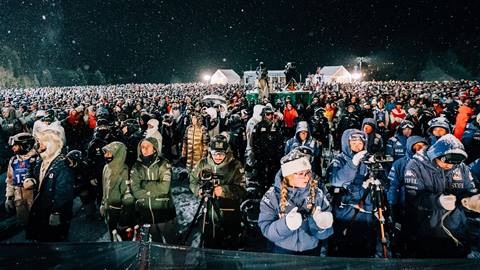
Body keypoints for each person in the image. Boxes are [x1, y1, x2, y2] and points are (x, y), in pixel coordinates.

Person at [404, 134, 479, 258]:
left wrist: (470, 201)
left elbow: (469, 189)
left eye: (454, 163)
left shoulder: (461, 167)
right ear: (435, 154)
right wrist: (437, 201)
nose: (450, 166)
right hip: (427, 231)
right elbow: (414, 198)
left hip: (456, 231)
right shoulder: (415, 166)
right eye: (446, 161)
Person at [258, 149, 333, 255]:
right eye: (300, 173)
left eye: (308, 172)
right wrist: (286, 225)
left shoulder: (318, 194)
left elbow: (324, 235)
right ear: (289, 175)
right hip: (283, 251)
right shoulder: (272, 196)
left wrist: (322, 227)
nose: (306, 177)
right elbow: (266, 229)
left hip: (311, 251)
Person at [189, 135, 247, 249]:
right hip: (208, 212)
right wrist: (198, 190)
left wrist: (224, 190)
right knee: (209, 244)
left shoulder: (235, 166)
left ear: (227, 152)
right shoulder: (202, 163)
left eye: (221, 153)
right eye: (215, 153)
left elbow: (242, 190)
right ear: (210, 152)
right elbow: (192, 181)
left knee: (229, 245)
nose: (218, 156)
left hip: (229, 213)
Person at [327, 129, 377, 257]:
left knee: (365, 244)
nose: (357, 145)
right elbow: (336, 181)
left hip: (365, 208)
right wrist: (353, 164)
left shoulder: (366, 159)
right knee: (344, 243)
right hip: (346, 210)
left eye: (360, 142)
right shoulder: (339, 160)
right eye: (353, 142)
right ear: (346, 143)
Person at [25, 122, 75, 242]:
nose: (39, 146)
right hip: (42, 209)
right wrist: (31, 179)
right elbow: (35, 174)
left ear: (51, 145)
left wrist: (57, 212)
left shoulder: (62, 165)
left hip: (52, 212)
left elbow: (64, 192)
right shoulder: (41, 161)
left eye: (42, 143)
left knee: (54, 241)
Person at [130, 137, 177, 243]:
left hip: (164, 212)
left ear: (155, 149)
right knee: (155, 246)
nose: (144, 149)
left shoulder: (164, 164)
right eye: (142, 147)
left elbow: (164, 188)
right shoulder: (136, 167)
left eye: (148, 146)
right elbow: (135, 192)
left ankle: (179, 259)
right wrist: (155, 187)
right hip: (146, 215)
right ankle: (159, 259)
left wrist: (143, 184)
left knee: (174, 243)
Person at [100, 141, 135, 240]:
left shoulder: (124, 171)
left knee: (122, 237)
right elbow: (104, 188)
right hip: (109, 209)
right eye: (105, 153)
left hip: (118, 211)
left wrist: (124, 220)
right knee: (112, 234)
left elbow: (127, 198)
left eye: (109, 153)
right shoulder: (106, 168)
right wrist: (103, 203)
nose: (106, 155)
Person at [4, 133, 37, 226]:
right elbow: (10, 180)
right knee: (24, 225)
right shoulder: (13, 160)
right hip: (19, 199)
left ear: (24, 145)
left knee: (38, 224)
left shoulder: (36, 158)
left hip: (34, 197)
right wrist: (9, 197)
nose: (12, 148)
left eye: (15, 145)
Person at [251, 107, 284, 192]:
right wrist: (257, 154)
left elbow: (280, 141)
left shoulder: (276, 126)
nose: (270, 116)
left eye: (271, 114)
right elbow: (254, 142)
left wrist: (278, 154)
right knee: (261, 175)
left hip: (273, 157)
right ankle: (261, 191)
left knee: (272, 175)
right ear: (263, 115)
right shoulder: (258, 126)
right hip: (262, 156)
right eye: (268, 114)